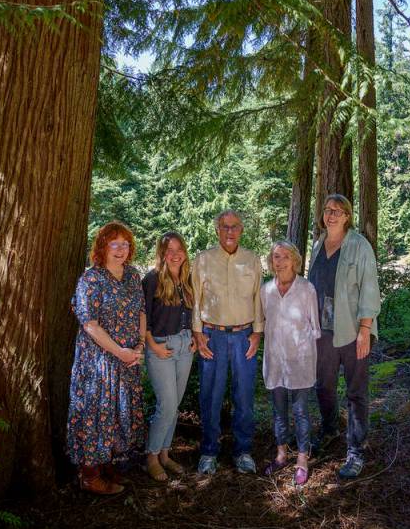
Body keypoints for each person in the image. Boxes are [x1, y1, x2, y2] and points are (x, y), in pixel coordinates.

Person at [67, 221, 146, 495]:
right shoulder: (91, 279)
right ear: (102, 246)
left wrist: (138, 347)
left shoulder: (133, 276)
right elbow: (90, 324)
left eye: (125, 244)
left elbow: (141, 312)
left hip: (127, 359)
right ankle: (89, 475)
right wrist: (120, 352)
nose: (121, 249)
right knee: (96, 413)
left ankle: (109, 465)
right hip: (99, 361)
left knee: (117, 414)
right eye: (115, 244)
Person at [308, 194, 381, 479]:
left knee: (355, 391)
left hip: (353, 331)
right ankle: (330, 429)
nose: (332, 215)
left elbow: (370, 289)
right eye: (328, 210)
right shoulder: (317, 245)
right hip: (322, 332)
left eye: (338, 211)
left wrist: (365, 330)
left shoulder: (359, 246)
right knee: (323, 386)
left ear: (348, 216)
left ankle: (356, 450)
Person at [191, 210, 265, 475]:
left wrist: (257, 332)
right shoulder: (203, 259)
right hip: (213, 335)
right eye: (224, 227)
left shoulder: (252, 260)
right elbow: (196, 299)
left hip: (245, 335)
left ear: (241, 230)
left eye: (234, 227)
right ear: (217, 230)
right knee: (210, 396)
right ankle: (209, 451)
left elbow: (258, 297)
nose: (230, 231)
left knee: (244, 396)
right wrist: (198, 333)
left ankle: (243, 451)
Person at [261, 240, 320, 486]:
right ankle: (282, 454)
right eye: (276, 256)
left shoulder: (306, 289)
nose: (281, 261)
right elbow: (263, 323)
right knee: (278, 412)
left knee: (300, 412)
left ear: (295, 260)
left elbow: (315, 328)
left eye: (286, 256)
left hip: (301, 361)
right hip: (275, 360)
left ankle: (303, 460)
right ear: (271, 261)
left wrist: (300, 348)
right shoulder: (265, 290)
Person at [142, 232, 196, 482]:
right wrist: (152, 345)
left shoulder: (187, 278)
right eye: (169, 250)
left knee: (174, 406)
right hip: (161, 347)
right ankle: (151, 457)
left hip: (185, 345)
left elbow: (194, 312)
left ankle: (165, 454)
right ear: (162, 254)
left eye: (179, 249)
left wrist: (195, 337)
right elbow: (143, 318)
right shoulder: (152, 279)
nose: (175, 254)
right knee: (166, 405)